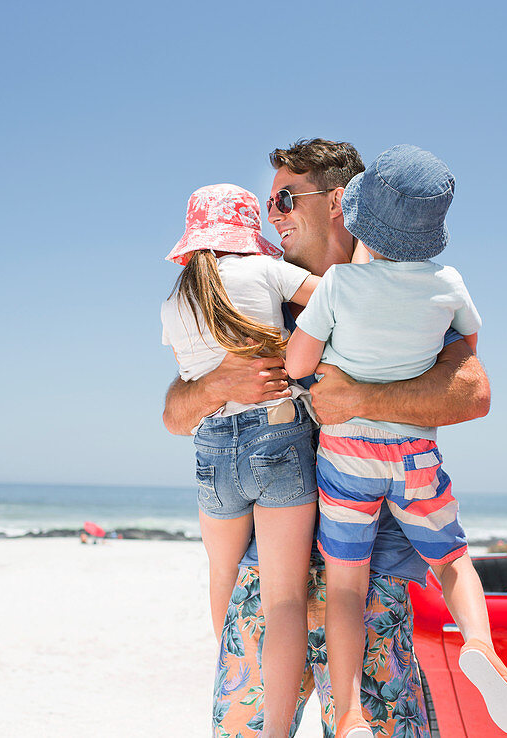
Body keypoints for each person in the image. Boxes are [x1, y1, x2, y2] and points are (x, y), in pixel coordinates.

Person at [162, 139, 490, 737]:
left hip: (372, 575)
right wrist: (215, 383)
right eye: (268, 203)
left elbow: (473, 391)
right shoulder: (253, 297)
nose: (273, 215)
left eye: (285, 198)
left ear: (338, 201)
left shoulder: (403, 291)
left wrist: (360, 398)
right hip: (270, 574)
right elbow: (175, 413)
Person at [285, 145, 507, 737]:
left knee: (345, 583)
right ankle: (478, 644)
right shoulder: (447, 282)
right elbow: (468, 346)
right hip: (415, 454)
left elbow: (298, 365)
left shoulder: (339, 284)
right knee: (451, 561)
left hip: (347, 456)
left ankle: (346, 716)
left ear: (356, 214)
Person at [161, 183, 321, 736]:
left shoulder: (174, 301)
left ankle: (237, 690)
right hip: (276, 435)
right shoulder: (267, 273)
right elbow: (334, 299)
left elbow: (187, 379)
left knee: (224, 582)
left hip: (210, 446)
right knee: (284, 599)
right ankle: (276, 727)